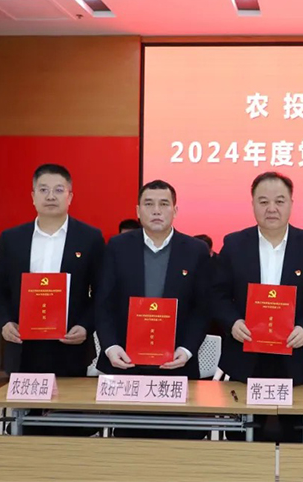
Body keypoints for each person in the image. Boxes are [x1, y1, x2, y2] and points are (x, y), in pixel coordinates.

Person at [212, 172, 303, 442]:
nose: (271, 209)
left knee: (297, 439)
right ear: (252, 204)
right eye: (263, 201)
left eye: (279, 201)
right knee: (242, 438)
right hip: (246, 355)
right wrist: (232, 323)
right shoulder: (234, 244)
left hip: (296, 355)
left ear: (291, 203)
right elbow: (217, 294)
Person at [0, 163, 104, 435]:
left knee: (69, 425)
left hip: (70, 344)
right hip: (24, 346)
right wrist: (4, 322)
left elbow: (102, 292)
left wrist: (86, 326)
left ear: (70, 196)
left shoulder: (90, 238)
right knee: (26, 425)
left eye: (58, 190)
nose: (50, 196)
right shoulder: (12, 238)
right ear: (33, 196)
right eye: (43, 190)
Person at [95, 180, 211, 438]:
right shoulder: (117, 247)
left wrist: (186, 350)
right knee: (129, 444)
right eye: (149, 204)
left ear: (175, 210)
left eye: (164, 204)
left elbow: (202, 309)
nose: (156, 210)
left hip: (176, 365)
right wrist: (111, 347)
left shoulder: (196, 251)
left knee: (177, 443)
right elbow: (103, 303)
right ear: (138, 211)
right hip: (126, 366)